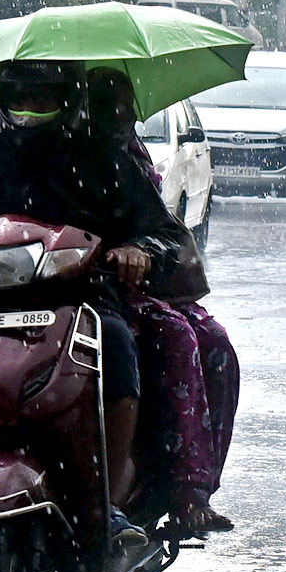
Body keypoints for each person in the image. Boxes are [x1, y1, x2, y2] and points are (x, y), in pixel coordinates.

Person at [0, 60, 183, 544]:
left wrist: (139, 251)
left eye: (44, 98)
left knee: (117, 343)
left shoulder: (103, 160)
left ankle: (108, 506)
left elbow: (165, 235)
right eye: (21, 97)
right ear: (3, 101)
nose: (31, 110)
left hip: (81, 305)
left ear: (67, 100)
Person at [86, 68, 237, 533]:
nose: (122, 116)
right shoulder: (9, 158)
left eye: (125, 107)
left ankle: (190, 490)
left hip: (130, 286)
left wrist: (141, 252)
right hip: (82, 292)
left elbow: (161, 228)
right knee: (175, 337)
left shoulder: (125, 158)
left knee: (213, 342)